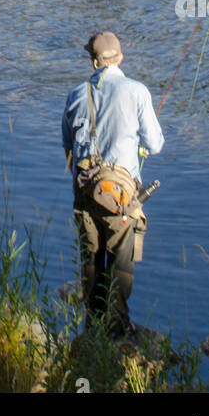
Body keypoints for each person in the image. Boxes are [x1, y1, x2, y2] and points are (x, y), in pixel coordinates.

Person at [62, 31, 164, 336]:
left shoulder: (75, 96)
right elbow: (156, 144)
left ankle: (93, 323)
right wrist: (139, 148)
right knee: (121, 261)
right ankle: (118, 327)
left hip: (84, 193)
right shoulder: (137, 91)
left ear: (94, 61)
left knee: (91, 259)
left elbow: (68, 151)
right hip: (120, 196)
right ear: (120, 58)